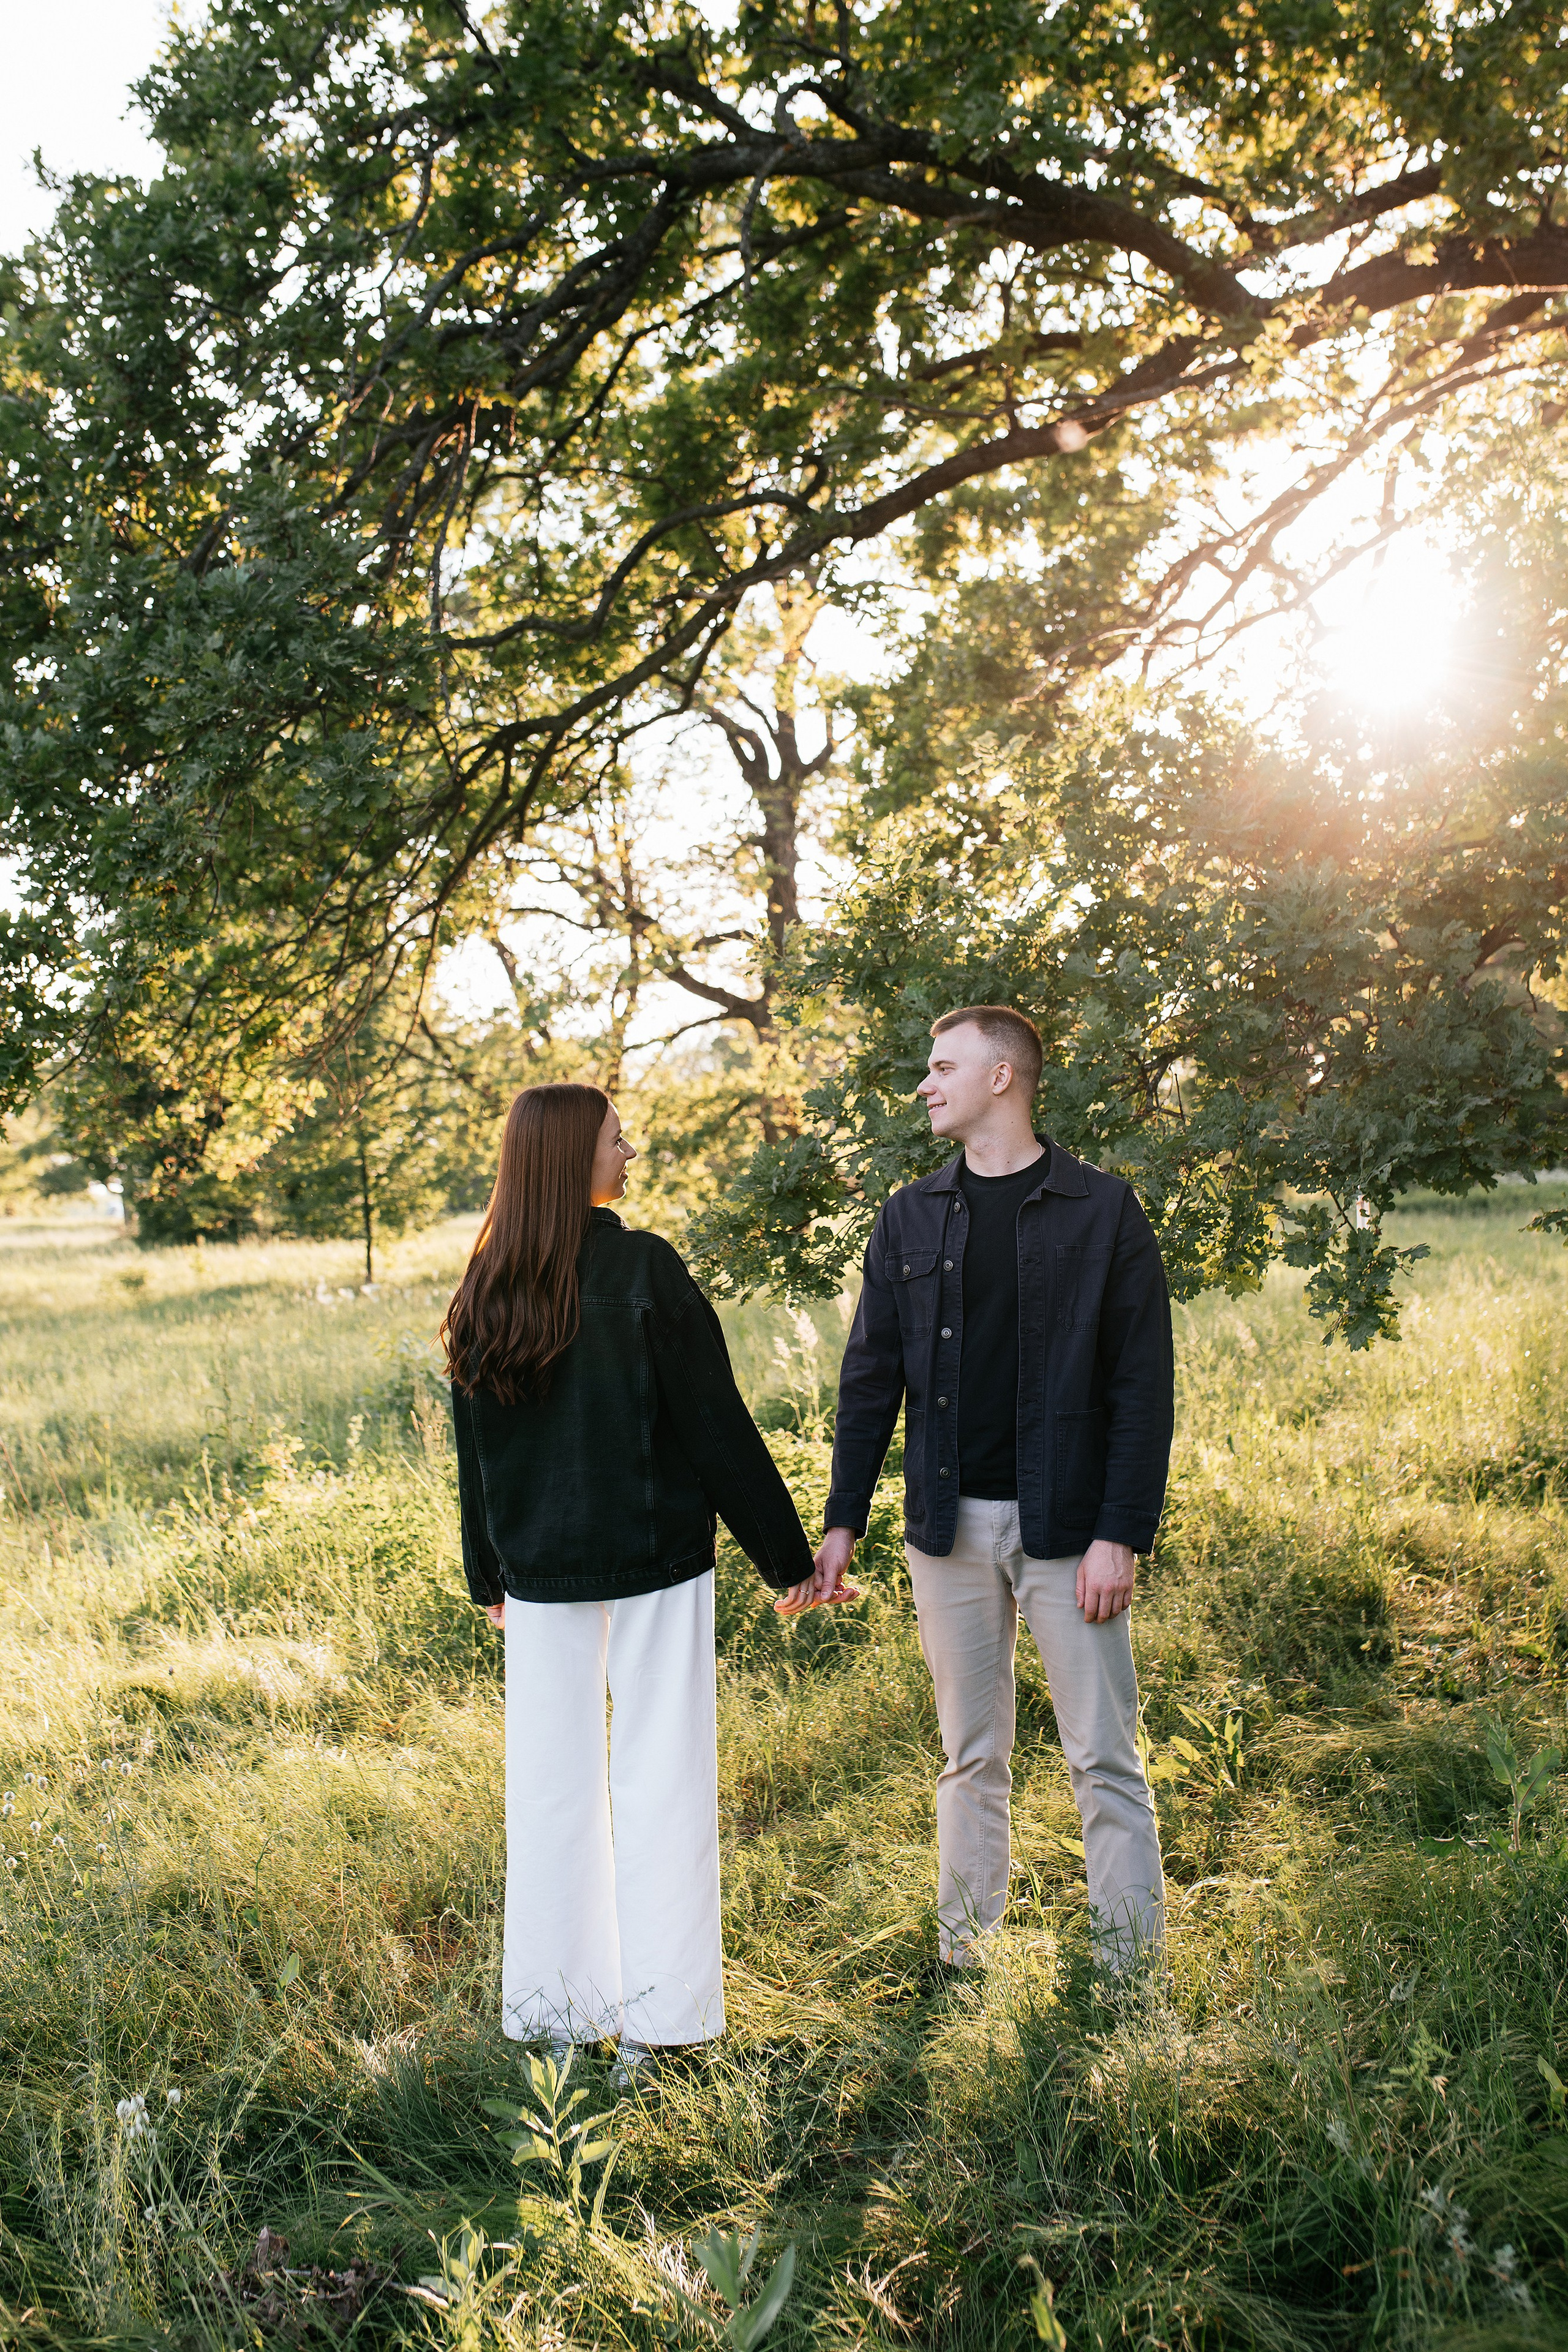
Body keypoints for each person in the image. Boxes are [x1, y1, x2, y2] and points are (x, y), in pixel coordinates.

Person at [784, 1006, 1173, 1971]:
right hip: (945, 1532)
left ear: (1003, 1077)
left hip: (1071, 1531)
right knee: (971, 1756)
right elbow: (871, 1378)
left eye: (943, 1066)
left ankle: (1131, 1972)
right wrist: (843, 1522)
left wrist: (1118, 1532)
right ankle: (969, 1961)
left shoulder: (1103, 1209)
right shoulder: (911, 1213)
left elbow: (1142, 1384)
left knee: (1105, 1759)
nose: (926, 1084)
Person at [443, 1082, 814, 2070]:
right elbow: (716, 1426)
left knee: (553, 1791)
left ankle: (559, 2022)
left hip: (538, 1572)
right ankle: (664, 2028)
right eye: (618, 1136)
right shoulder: (645, 1268)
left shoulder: (484, 1282)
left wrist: (489, 1573)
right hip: (653, 1560)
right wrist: (788, 1559)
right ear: (573, 1154)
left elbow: (475, 1453)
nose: (631, 1150)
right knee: (663, 1783)